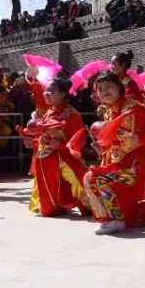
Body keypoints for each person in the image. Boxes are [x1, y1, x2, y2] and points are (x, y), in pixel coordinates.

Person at [81, 72, 145, 235]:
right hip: (117, 164)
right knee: (131, 215)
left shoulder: (132, 108)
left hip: (135, 167)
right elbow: (114, 141)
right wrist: (102, 149)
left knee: (96, 179)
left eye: (108, 87)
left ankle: (114, 220)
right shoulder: (108, 110)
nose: (103, 92)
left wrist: (139, 137)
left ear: (119, 87)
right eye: (100, 89)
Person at [23, 77, 89, 217]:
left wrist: (61, 145)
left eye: (51, 91)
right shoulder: (49, 112)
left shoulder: (71, 114)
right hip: (47, 159)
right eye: (46, 90)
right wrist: (33, 142)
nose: (46, 93)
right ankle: (53, 206)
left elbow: (79, 140)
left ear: (63, 93)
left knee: (80, 188)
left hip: (65, 159)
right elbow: (45, 137)